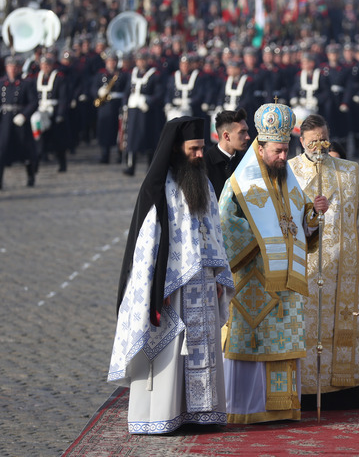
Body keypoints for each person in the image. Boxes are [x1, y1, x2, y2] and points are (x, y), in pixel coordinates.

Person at [108, 116, 235, 434]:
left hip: (203, 282)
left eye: (202, 148)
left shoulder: (203, 181)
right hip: (171, 284)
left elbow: (213, 231)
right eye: (194, 149)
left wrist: (219, 275)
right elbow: (148, 242)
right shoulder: (159, 186)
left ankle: (201, 413)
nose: (200, 155)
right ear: (177, 148)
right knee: (169, 351)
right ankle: (164, 415)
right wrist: (156, 286)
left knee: (202, 348)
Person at [218, 102, 329, 424]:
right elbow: (225, 224)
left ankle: (281, 408)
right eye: (277, 151)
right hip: (254, 280)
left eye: (285, 150)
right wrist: (264, 239)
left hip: (285, 286)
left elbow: (299, 225)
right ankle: (246, 410)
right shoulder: (240, 184)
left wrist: (313, 214)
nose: (283, 157)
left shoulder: (288, 183)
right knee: (250, 345)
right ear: (260, 147)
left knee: (282, 345)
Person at [288, 114, 359, 410]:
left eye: (324, 139)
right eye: (313, 141)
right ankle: (303, 391)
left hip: (344, 272)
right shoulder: (290, 172)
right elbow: (283, 222)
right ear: (301, 141)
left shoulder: (348, 171)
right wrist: (309, 214)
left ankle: (343, 391)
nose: (320, 146)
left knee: (343, 329)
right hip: (307, 269)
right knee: (305, 328)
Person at [0, 55, 38, 190]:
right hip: (5, 121)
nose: (12, 69)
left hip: (20, 121)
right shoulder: (1, 83)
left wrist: (24, 115)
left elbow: (33, 102)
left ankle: (30, 177)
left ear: (19, 68)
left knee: (25, 150)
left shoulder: (26, 84)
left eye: (15, 67)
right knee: (0, 151)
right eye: (10, 67)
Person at [206, 108, 251, 199]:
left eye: (247, 131)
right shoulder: (205, 164)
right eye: (242, 132)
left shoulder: (247, 162)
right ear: (226, 136)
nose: (247, 137)